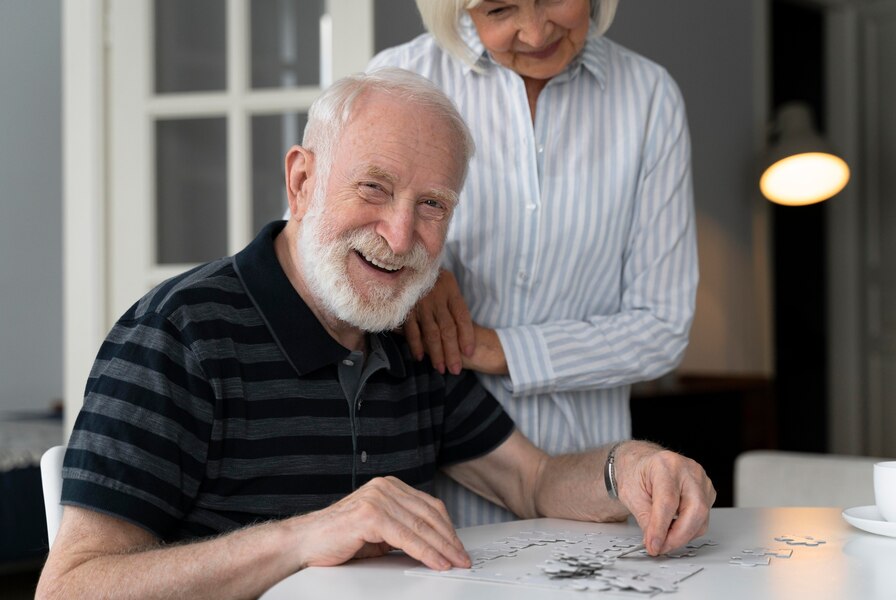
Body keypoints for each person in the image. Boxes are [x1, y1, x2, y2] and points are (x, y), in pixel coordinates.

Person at [37, 68, 713, 600]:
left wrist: (628, 468)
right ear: (302, 181)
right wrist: (304, 538)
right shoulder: (174, 336)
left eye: (431, 206)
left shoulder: (404, 331)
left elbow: (533, 483)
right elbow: (72, 587)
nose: (399, 237)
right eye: (373, 188)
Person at [368, 0, 699, 527]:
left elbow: (661, 327)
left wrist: (494, 348)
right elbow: (330, 250)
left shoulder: (649, 97)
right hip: (435, 493)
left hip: (596, 492)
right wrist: (411, 271)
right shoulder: (399, 81)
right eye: (500, 9)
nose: (535, 29)